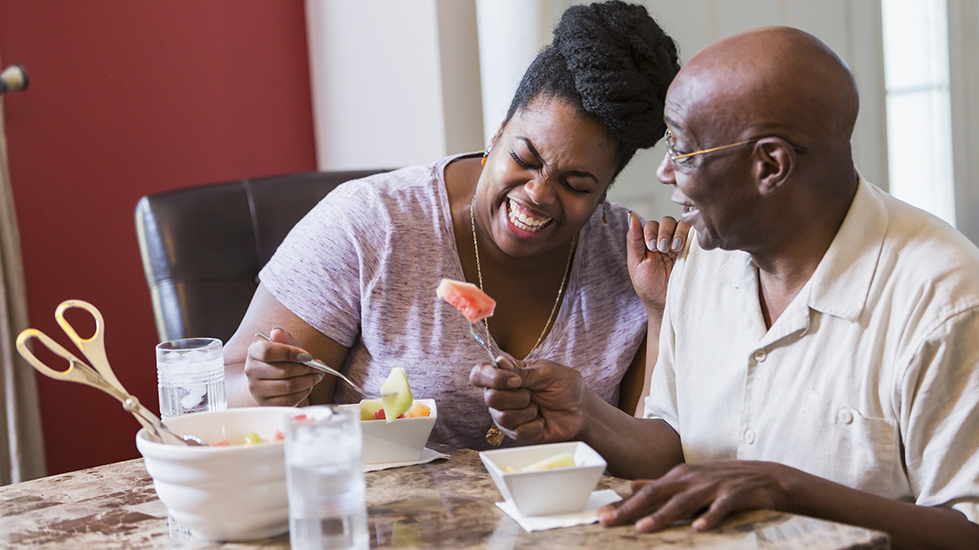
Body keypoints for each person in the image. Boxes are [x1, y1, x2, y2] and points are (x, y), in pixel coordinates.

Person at [470, 26, 979, 547]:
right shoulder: (700, 259)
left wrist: (785, 488)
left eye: (685, 151)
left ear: (770, 165)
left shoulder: (945, 299)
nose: (665, 173)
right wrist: (586, 414)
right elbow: (676, 445)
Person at [222, 0, 686, 450]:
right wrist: (261, 388)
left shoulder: (635, 262)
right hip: (384, 523)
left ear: (605, 190)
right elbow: (222, 390)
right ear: (497, 132)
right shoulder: (371, 223)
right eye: (524, 158)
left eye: (577, 184)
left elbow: (649, 455)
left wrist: (661, 311)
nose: (538, 194)